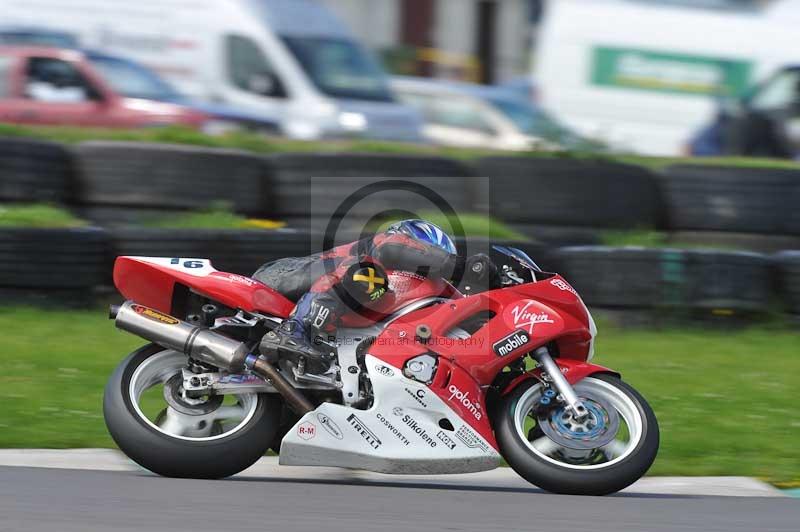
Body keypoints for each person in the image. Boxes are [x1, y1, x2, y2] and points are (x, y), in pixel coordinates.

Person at [257, 219, 476, 368]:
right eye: (430, 253)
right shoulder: (386, 243)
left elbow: (461, 304)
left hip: (337, 318)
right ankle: (292, 331)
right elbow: (392, 251)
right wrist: (465, 267)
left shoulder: (433, 284)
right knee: (368, 276)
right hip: (281, 277)